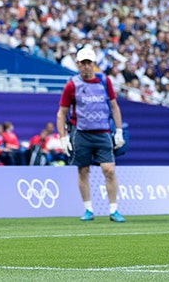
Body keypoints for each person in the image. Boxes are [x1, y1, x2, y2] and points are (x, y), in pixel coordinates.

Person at [56, 46, 127, 222]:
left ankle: (113, 209)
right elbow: (61, 113)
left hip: (103, 132)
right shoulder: (72, 85)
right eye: (83, 63)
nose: (86, 66)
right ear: (78, 64)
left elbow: (114, 106)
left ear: (94, 64)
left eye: (89, 63)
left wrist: (119, 131)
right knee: (83, 170)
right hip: (81, 133)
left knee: (109, 170)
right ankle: (88, 209)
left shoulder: (104, 81)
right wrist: (63, 137)